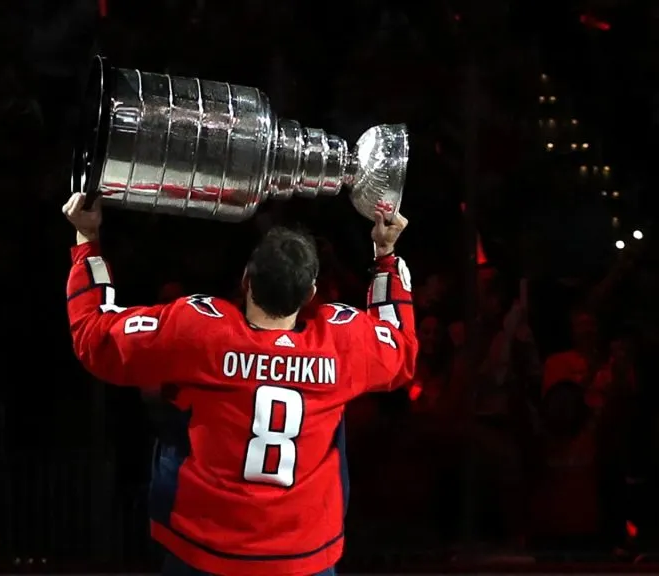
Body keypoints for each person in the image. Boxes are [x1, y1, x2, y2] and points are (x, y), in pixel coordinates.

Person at [62, 192, 417, 576]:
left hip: (203, 550)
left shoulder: (200, 331)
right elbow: (399, 346)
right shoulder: (342, 343)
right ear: (311, 294)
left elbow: (94, 336)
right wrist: (386, 255)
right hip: (302, 556)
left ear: (246, 280)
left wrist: (87, 240)